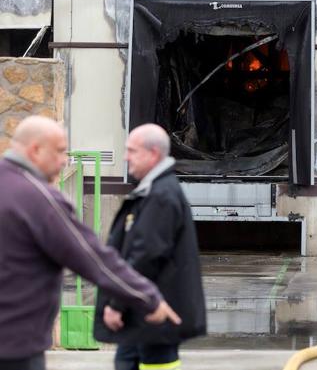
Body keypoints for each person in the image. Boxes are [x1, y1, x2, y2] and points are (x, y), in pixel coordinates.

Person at [0, 116, 180, 370]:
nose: (65, 161)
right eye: (61, 151)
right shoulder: (37, 198)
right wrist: (147, 297)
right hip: (14, 347)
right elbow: (92, 257)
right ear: (35, 150)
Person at [94, 124, 206, 370]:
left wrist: (116, 305)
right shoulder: (153, 191)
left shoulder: (161, 197)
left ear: (153, 154)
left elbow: (145, 257)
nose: (125, 157)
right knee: (125, 361)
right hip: (141, 314)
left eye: (132, 151)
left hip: (153, 316)